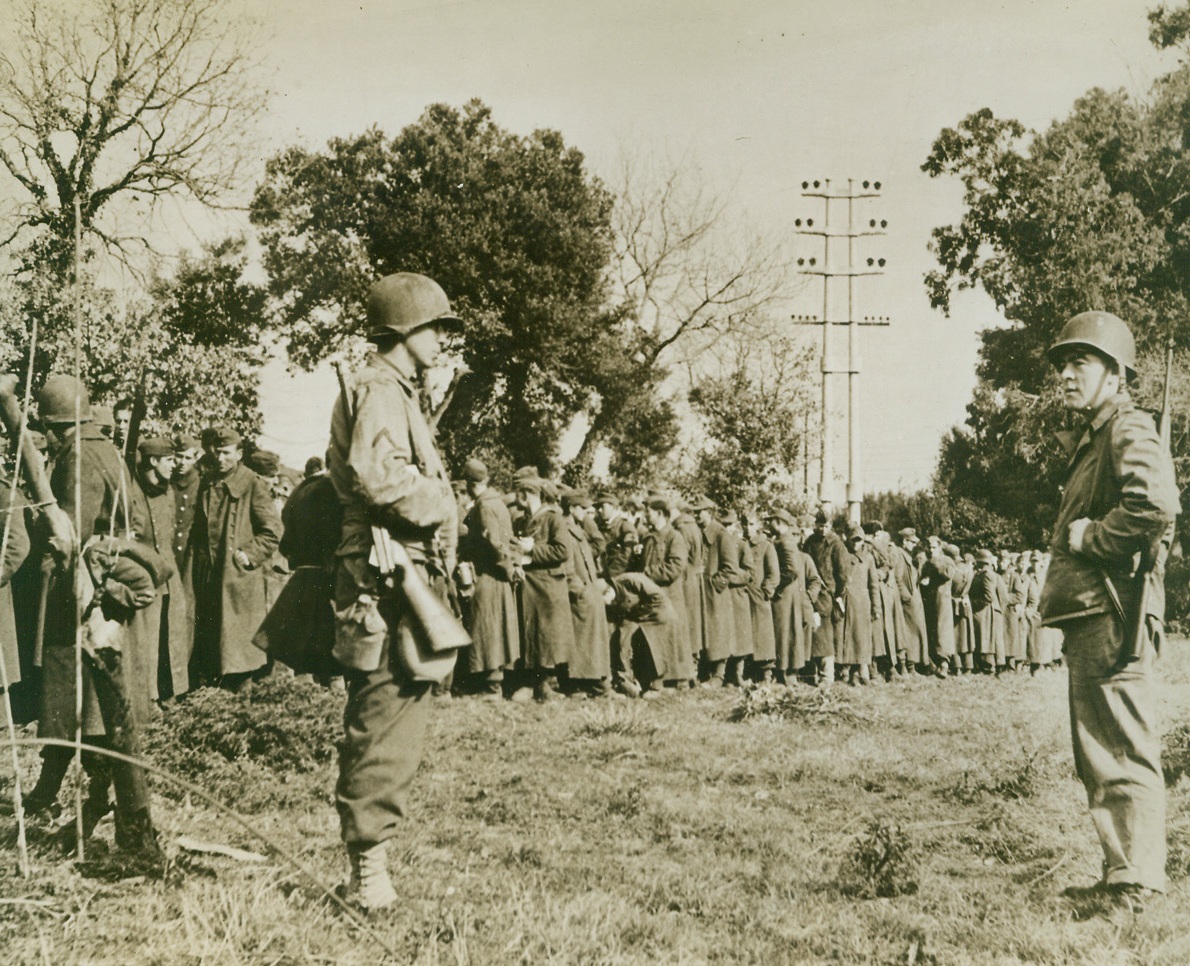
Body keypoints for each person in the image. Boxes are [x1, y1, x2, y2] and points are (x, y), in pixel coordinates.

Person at [327, 272, 463, 910]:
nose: (442, 338)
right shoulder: (382, 388)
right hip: (386, 581)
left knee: (394, 716)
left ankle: (369, 861)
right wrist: (443, 499)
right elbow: (380, 479)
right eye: (437, 327)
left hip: (397, 576)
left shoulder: (395, 390)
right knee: (384, 722)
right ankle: (369, 871)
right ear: (407, 329)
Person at [1039, 311, 1178, 904]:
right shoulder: (1101, 432)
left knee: (1121, 748)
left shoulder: (1126, 426)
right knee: (1102, 750)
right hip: (1097, 613)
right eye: (1064, 365)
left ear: (1115, 376)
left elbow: (1156, 505)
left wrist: (1090, 537)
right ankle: (1122, 873)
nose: (1067, 376)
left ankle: (1138, 882)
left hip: (1113, 610)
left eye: (1081, 363)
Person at [24, 374, 164, 865]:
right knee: (103, 715)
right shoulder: (105, 450)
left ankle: (129, 828)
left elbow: (69, 536)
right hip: (110, 597)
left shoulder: (78, 460)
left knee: (94, 711)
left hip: (91, 601)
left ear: (57, 426)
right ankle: (107, 814)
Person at [188, 427, 281, 690]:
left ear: (239, 454)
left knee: (239, 660)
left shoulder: (251, 482)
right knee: (212, 655)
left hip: (237, 583)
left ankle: (242, 712)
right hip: (210, 579)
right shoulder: (208, 482)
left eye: (227, 453)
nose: (220, 458)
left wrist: (249, 554)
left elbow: (273, 530)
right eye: (217, 452)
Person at [132, 437, 192, 702]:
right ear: (153, 462)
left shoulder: (168, 490)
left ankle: (173, 693)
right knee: (146, 637)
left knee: (174, 634)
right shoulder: (132, 488)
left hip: (169, 573)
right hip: (143, 571)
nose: (175, 465)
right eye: (169, 460)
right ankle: (149, 698)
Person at [457, 458, 519, 698]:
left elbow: (494, 543)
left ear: (470, 483)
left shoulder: (484, 507)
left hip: (489, 574)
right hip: (499, 574)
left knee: (487, 629)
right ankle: (491, 682)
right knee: (497, 628)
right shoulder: (499, 503)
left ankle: (491, 686)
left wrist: (507, 567)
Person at [512, 476, 574, 701]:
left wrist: (533, 549)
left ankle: (547, 685)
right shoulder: (521, 521)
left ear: (527, 494)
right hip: (529, 586)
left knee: (547, 638)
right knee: (530, 635)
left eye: (518, 492)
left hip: (547, 587)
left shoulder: (553, 519)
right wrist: (518, 562)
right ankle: (531, 683)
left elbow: (562, 551)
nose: (515, 497)